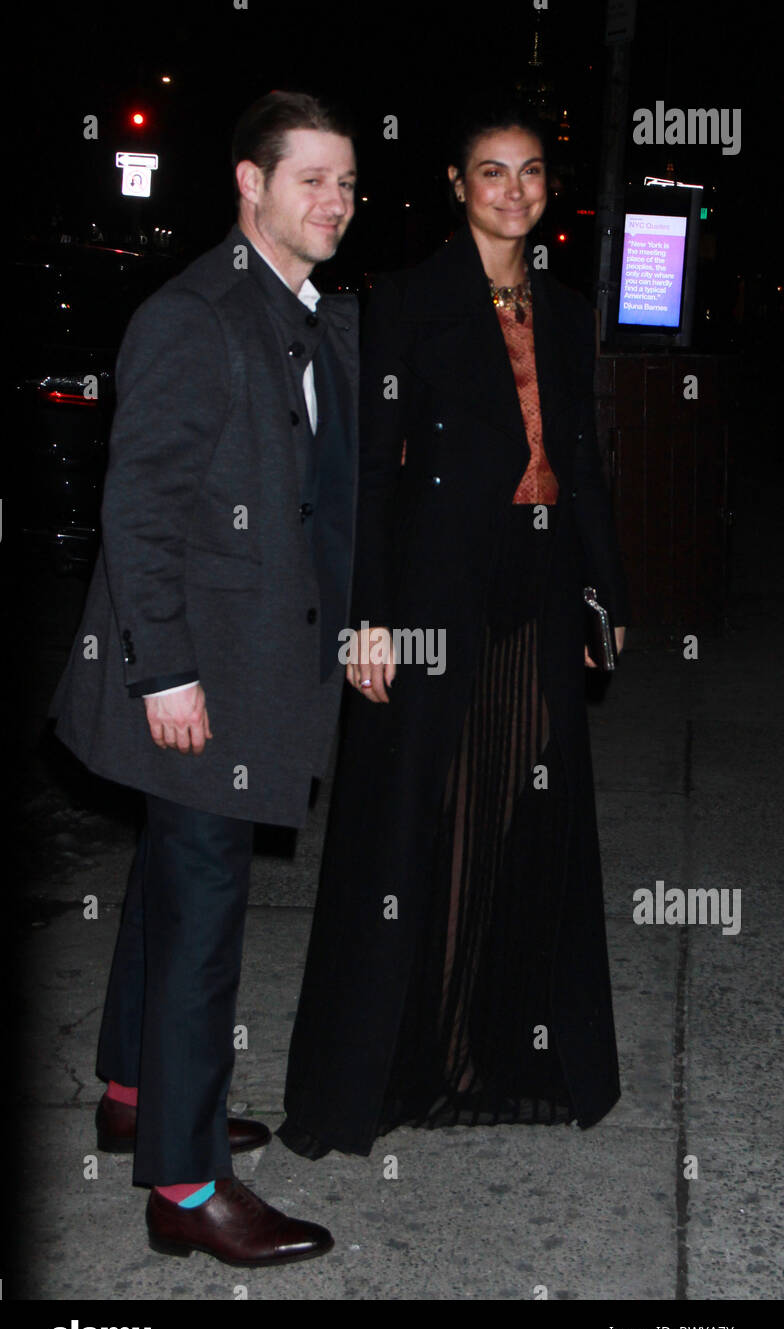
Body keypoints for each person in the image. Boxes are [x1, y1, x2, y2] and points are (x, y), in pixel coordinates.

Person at [277, 99, 629, 1160]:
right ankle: (389, 1065)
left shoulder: (565, 311)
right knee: (419, 821)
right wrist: (366, 619)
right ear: (455, 185)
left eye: (527, 172)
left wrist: (600, 596)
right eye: (490, 172)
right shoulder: (407, 299)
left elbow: (583, 464)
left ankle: (498, 1041)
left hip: (539, 583)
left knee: (529, 818)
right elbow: (366, 477)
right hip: (430, 598)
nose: (511, 190)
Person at [50, 91, 359, 1264]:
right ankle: (183, 1189)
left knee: (170, 890)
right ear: (249, 182)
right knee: (201, 922)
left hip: (251, 662)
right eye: (310, 180)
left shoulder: (315, 313)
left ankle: (135, 1094)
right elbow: (139, 509)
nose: (333, 202)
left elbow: (324, 498)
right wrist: (166, 673)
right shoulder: (197, 314)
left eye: (345, 182)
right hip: (193, 675)